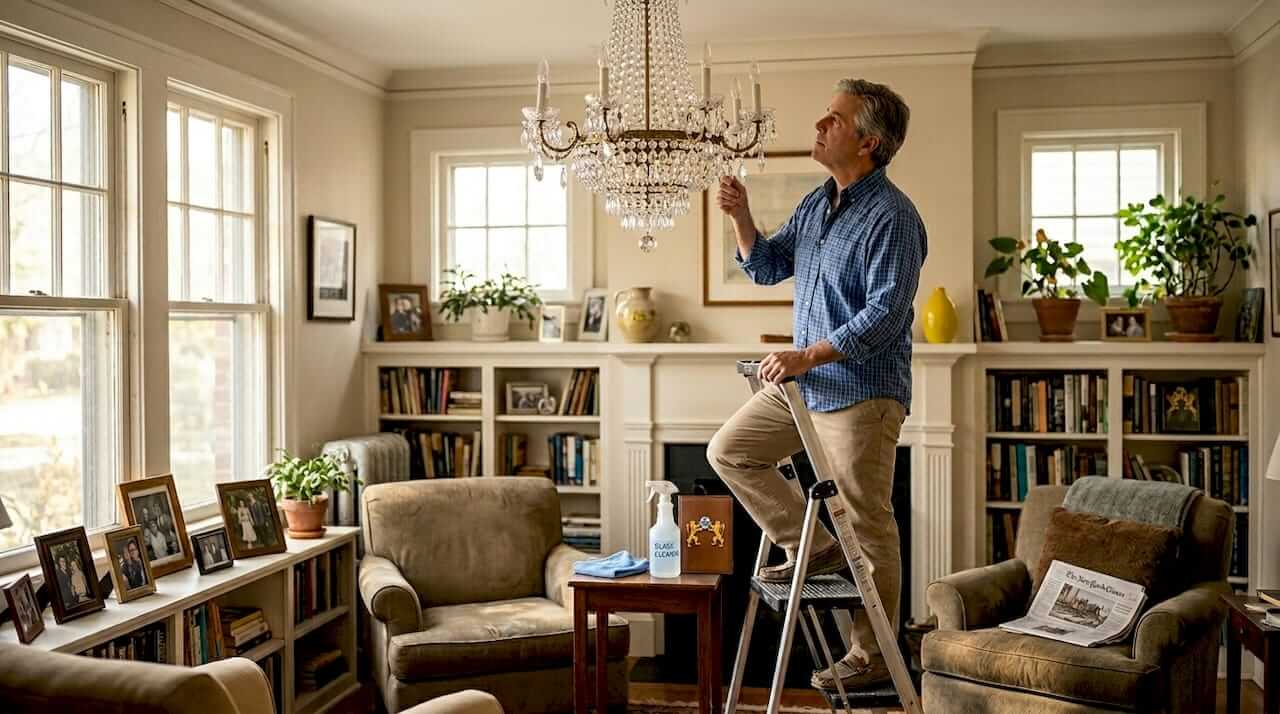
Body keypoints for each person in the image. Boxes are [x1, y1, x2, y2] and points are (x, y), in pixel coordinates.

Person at [707, 78, 925, 693]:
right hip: (802, 385)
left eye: (834, 119)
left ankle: (873, 657)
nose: (820, 125)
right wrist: (741, 217)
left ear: (869, 142)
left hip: (862, 391)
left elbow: (885, 315)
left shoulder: (895, 218)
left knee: (867, 519)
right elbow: (768, 265)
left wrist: (808, 354)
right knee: (729, 451)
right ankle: (817, 550)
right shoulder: (816, 202)